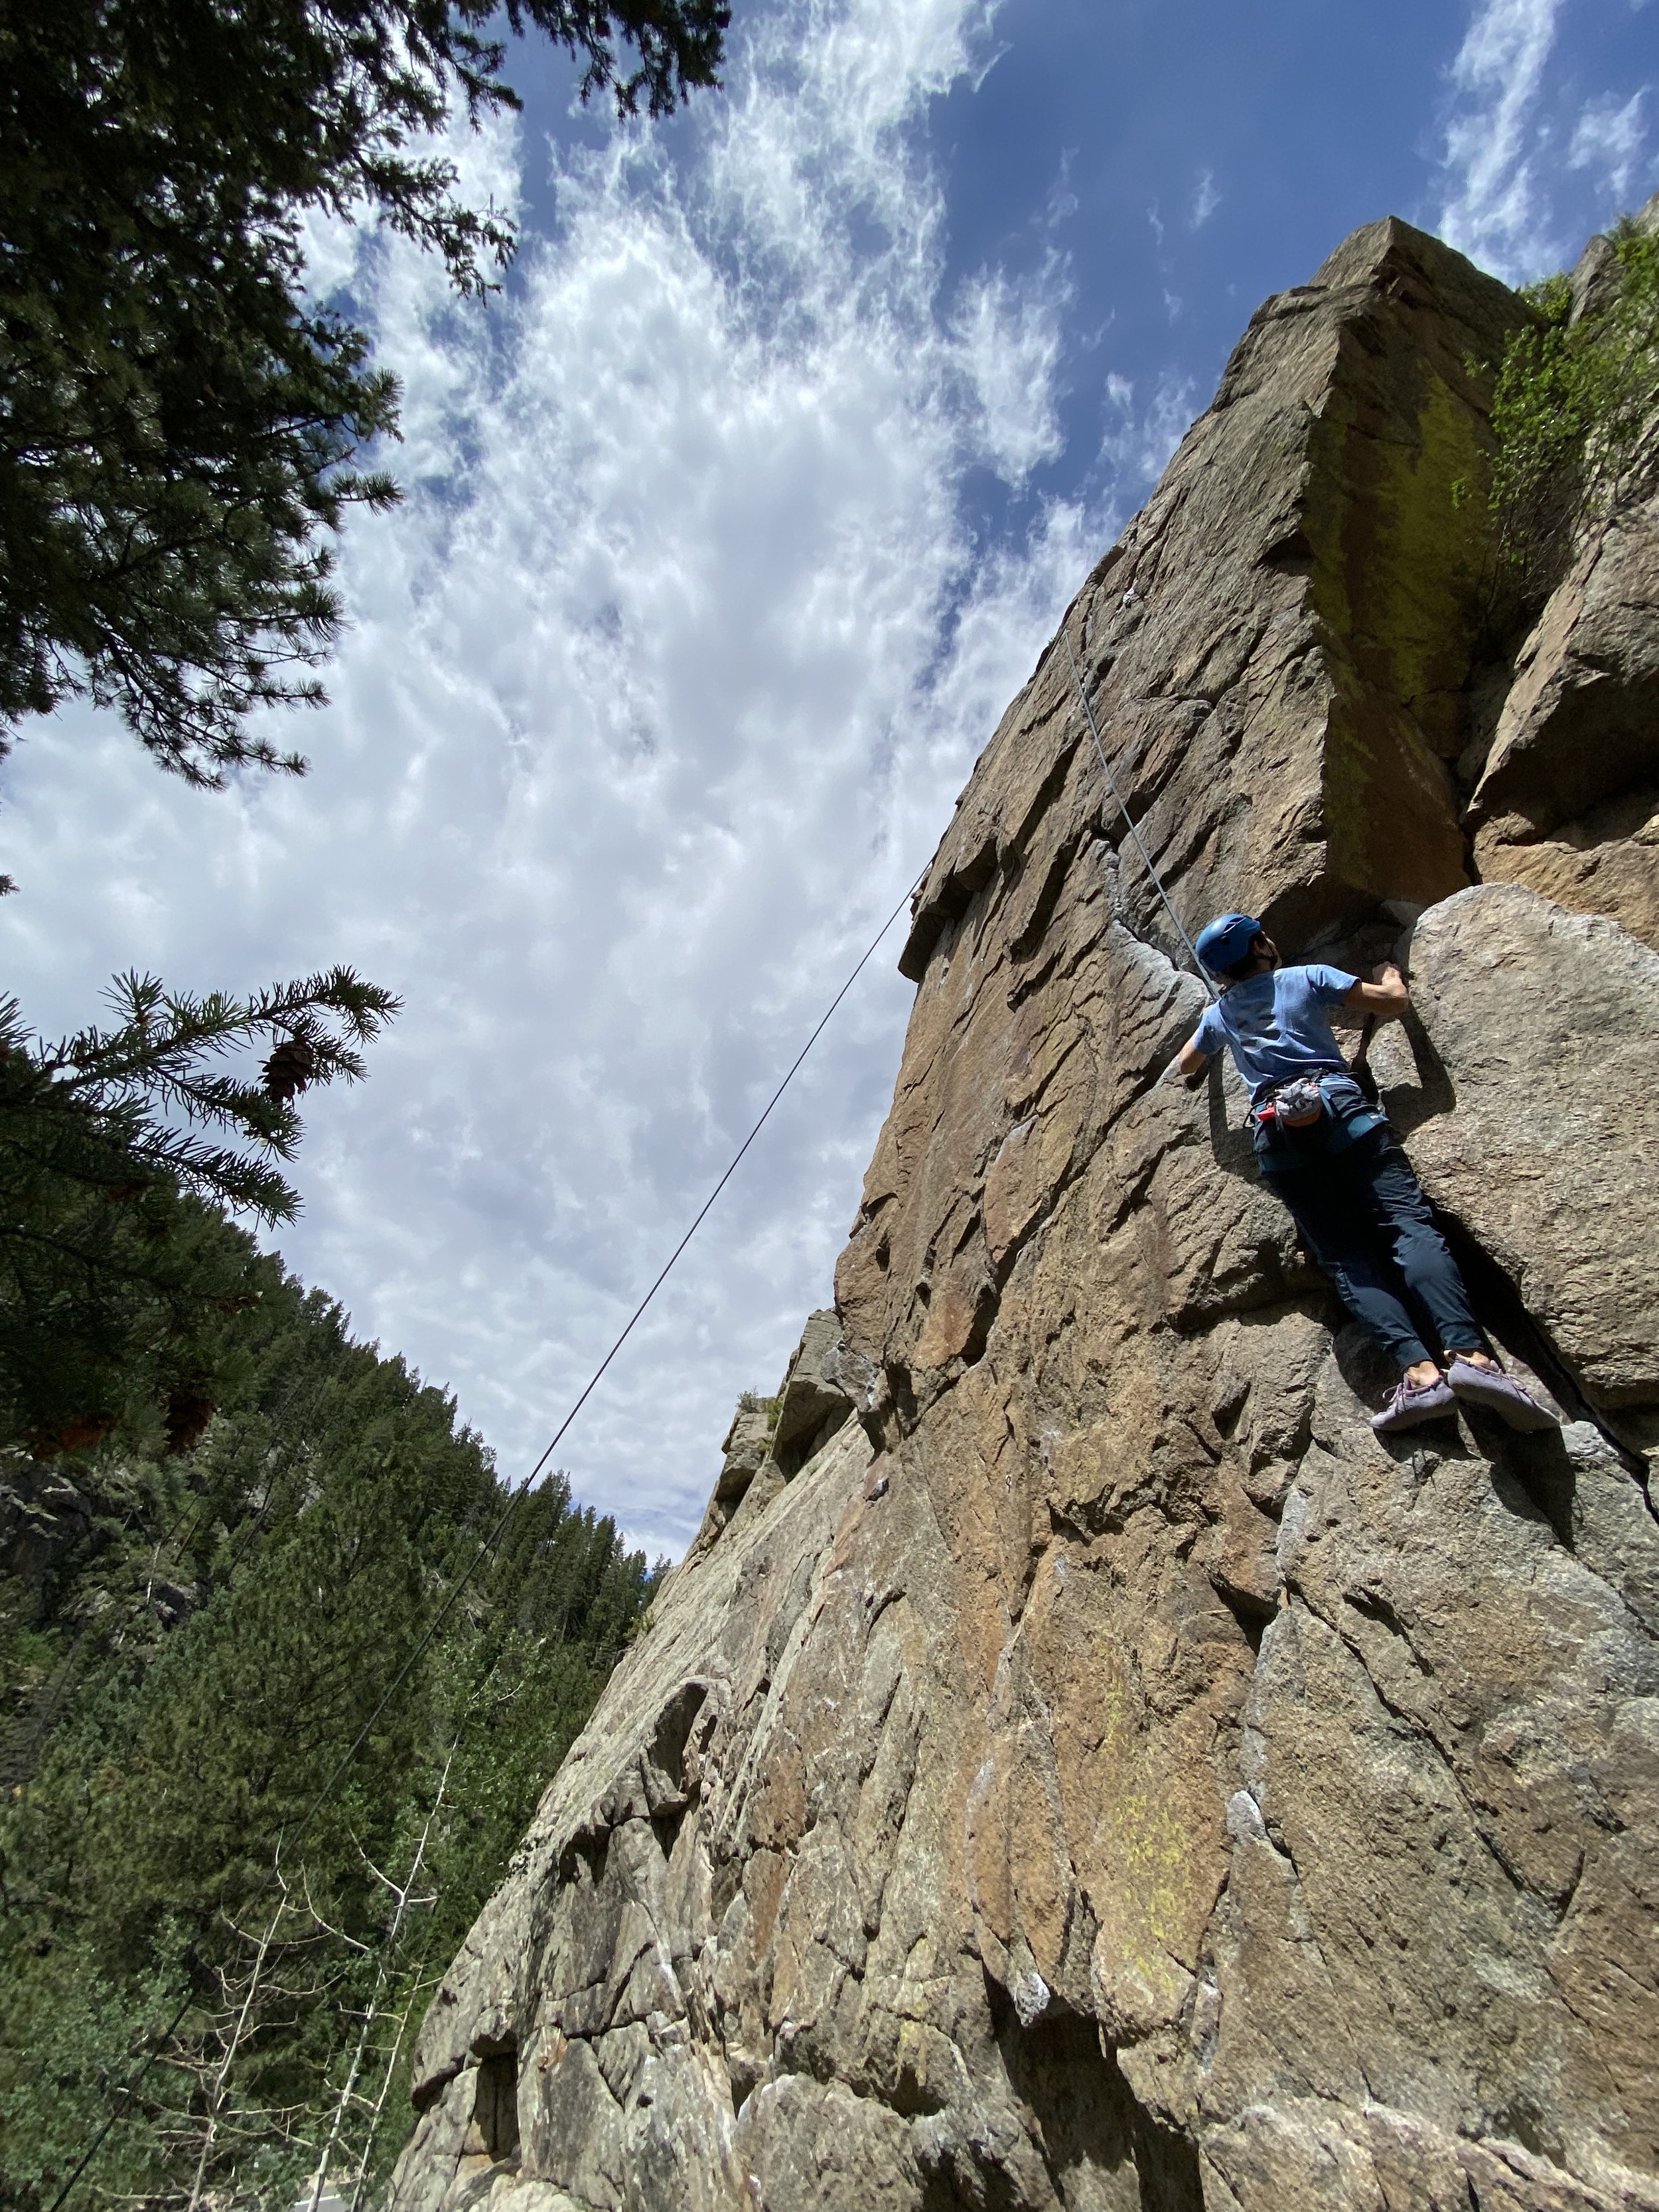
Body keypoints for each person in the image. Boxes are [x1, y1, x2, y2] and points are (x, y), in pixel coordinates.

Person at [1175, 911, 1557, 1436]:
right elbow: (1392, 1002)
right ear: (1260, 946)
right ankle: (1471, 1358)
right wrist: (1388, 971)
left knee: (1346, 1258)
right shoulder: (1305, 977)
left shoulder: (1219, 1015)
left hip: (1276, 1133)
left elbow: (1187, 1064)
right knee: (1408, 1227)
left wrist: (1216, 1045)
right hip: (1341, 1110)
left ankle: (1421, 1376)